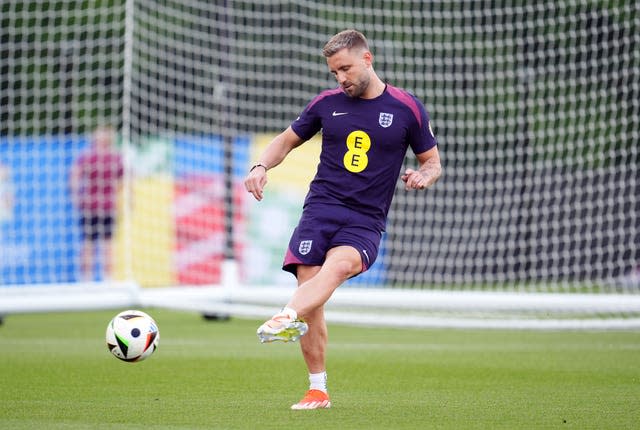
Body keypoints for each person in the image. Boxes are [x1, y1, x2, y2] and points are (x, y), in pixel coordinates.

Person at [244, 29, 442, 410]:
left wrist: (424, 175)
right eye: (335, 72)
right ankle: (317, 390)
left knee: (335, 269)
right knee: (310, 288)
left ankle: (285, 315)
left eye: (346, 69)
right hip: (319, 210)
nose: (341, 79)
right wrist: (259, 165)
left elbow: (431, 161)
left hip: (365, 220)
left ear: (367, 59)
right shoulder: (325, 104)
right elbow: (285, 140)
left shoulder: (407, 107)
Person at [70, 125, 124, 281]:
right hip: (99, 206)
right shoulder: (112, 157)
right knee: (96, 244)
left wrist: (76, 195)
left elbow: (75, 175)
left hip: (97, 206)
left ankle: (90, 280)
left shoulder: (90, 156)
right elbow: (124, 181)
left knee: (99, 244)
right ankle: (102, 280)